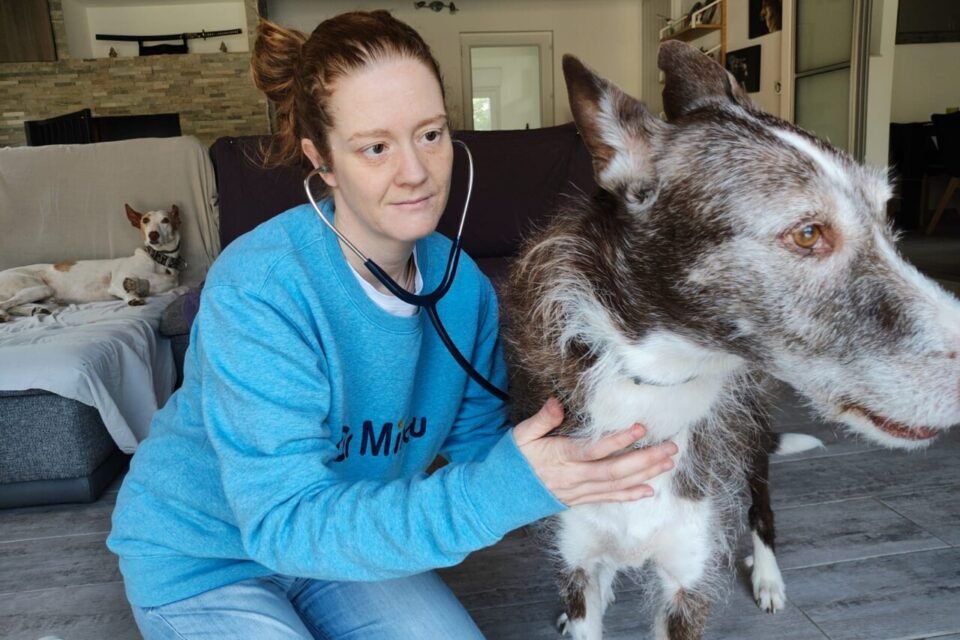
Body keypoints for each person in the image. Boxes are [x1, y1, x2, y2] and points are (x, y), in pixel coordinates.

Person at [107, 11, 678, 639]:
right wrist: (504, 490)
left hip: (347, 540)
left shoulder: (462, 289)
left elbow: (478, 453)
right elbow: (286, 522)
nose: (415, 172)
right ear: (321, 161)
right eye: (375, 147)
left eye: (430, 135)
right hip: (205, 557)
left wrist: (594, 434)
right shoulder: (259, 288)